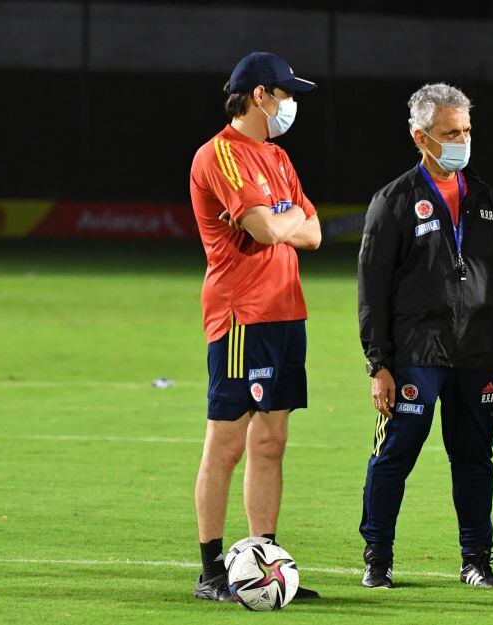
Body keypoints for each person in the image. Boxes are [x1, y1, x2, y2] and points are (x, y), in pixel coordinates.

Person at [357, 83, 493, 589]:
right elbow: (372, 289)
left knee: (475, 459)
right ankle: (378, 557)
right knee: (394, 455)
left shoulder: (486, 199)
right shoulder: (393, 201)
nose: (462, 141)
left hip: (477, 355)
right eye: (451, 133)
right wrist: (378, 364)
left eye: (467, 131)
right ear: (420, 137)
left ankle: (477, 560)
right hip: (415, 355)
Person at [188, 51, 322, 602]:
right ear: (260, 95)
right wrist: (285, 221)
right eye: (286, 94)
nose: (291, 104)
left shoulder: (279, 157)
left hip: (287, 312)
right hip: (242, 316)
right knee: (227, 445)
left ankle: (265, 565)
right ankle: (211, 571)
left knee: (271, 443)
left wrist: (280, 222)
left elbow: (313, 233)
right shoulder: (219, 154)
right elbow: (270, 230)